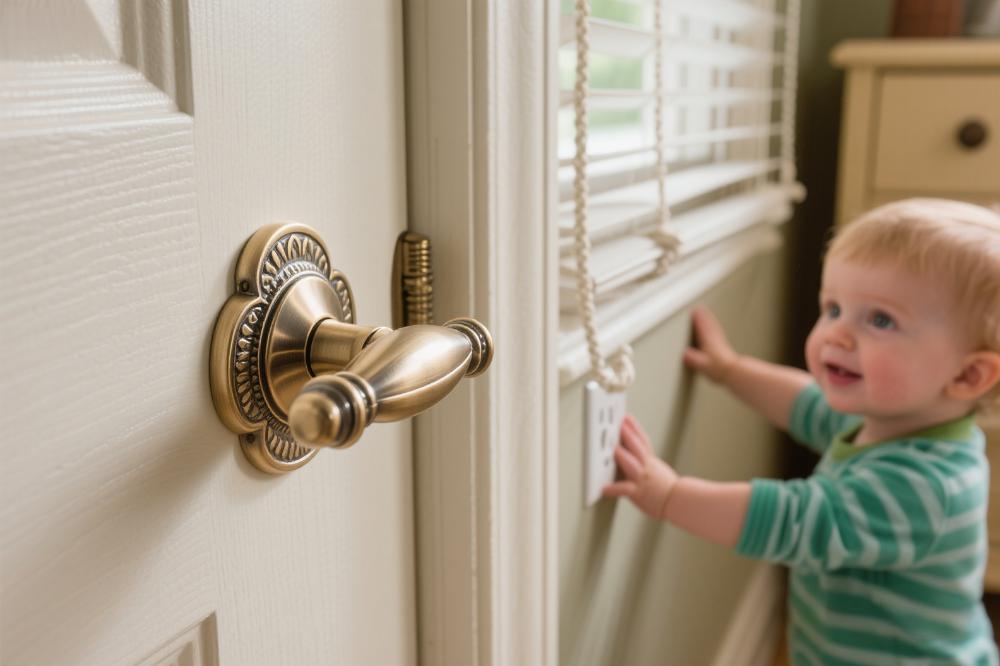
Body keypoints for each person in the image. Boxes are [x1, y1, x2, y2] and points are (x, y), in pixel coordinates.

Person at [604, 198, 1000, 665]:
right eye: (832, 308)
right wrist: (731, 370)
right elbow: (806, 404)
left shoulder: (923, 487)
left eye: (880, 320)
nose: (836, 335)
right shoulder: (898, 419)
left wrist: (669, 495)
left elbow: (792, 519)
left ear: (968, 377)